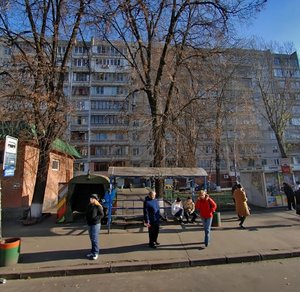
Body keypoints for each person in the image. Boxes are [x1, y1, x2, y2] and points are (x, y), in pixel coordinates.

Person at [86, 194, 104, 260]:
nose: (91, 199)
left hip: (96, 224)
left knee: (94, 238)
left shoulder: (98, 206)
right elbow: (87, 213)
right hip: (89, 224)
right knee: (91, 238)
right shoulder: (89, 205)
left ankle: (96, 253)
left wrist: (96, 219)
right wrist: (87, 218)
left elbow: (102, 215)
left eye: (92, 198)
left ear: (95, 199)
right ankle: (92, 252)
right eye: (90, 198)